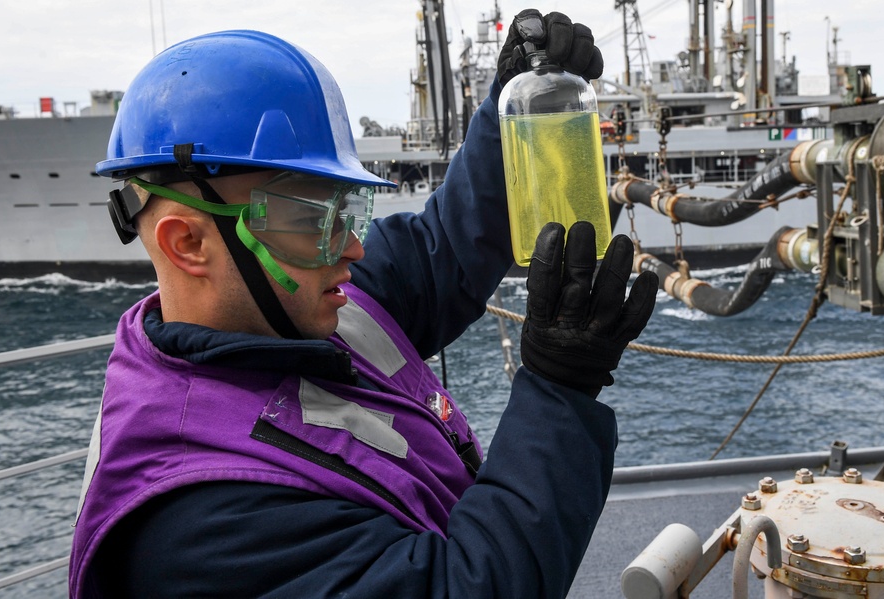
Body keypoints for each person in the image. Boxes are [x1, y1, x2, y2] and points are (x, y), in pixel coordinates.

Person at [70, 10, 658, 598]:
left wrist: (509, 110)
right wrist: (560, 388)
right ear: (188, 243)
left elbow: (442, 250)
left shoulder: (295, 306)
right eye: (312, 219)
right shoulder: (200, 519)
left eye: (346, 212)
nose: (352, 248)